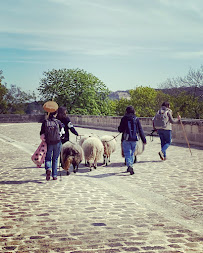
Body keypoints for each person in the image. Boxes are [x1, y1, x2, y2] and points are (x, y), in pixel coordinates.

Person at [118, 105, 146, 175]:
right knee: (132, 153)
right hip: (134, 139)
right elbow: (140, 129)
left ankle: (129, 165)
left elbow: (120, 129)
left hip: (126, 138)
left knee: (127, 153)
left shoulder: (124, 118)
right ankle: (131, 165)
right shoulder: (136, 118)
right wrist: (144, 139)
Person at [40, 110, 64, 181]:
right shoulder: (58, 122)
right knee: (55, 158)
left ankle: (48, 168)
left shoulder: (45, 122)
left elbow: (41, 134)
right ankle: (54, 175)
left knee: (48, 158)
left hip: (48, 142)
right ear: (56, 114)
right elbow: (63, 133)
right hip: (57, 142)